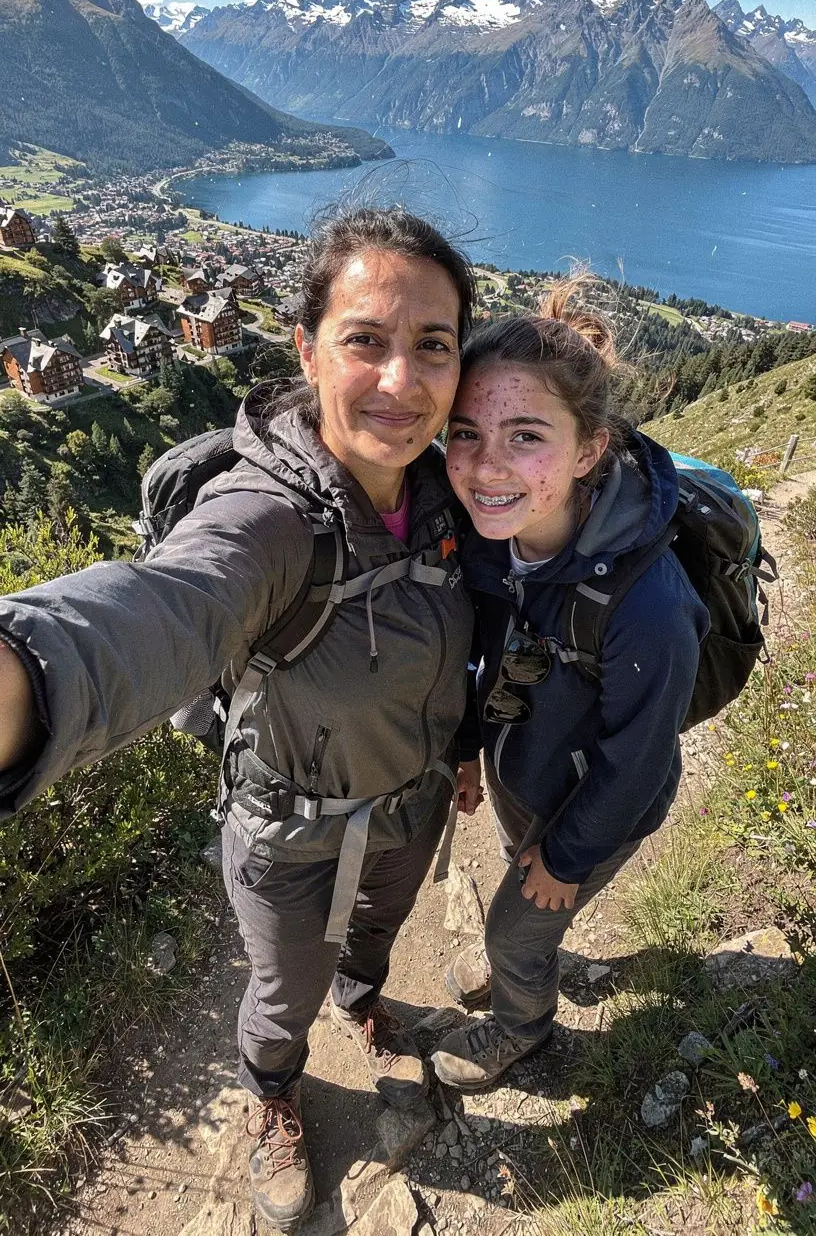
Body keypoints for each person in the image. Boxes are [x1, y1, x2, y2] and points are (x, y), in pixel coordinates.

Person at [0, 207, 480, 1232]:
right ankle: (274, 1091)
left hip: (411, 805)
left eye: (432, 346)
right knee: (282, 988)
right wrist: (28, 675)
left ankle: (365, 999)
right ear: (307, 350)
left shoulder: (453, 494)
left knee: (373, 941)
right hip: (288, 832)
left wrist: (471, 746)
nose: (401, 381)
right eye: (365, 341)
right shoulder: (265, 519)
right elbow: (168, 606)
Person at [433, 282, 709, 1092]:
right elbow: (484, 647)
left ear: (590, 449)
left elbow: (639, 763)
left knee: (513, 929)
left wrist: (567, 855)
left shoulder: (648, 606)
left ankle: (521, 1027)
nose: (486, 465)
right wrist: (465, 750)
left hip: (597, 806)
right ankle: (532, 949)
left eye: (526, 436)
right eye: (467, 433)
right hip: (531, 768)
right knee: (525, 908)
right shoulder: (495, 535)